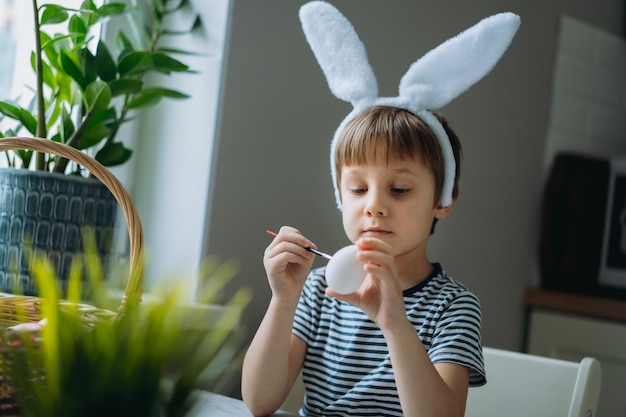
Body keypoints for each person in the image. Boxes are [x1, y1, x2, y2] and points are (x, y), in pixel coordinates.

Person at [242, 2, 520, 416]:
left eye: (400, 189)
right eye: (357, 189)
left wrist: (394, 323)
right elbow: (259, 401)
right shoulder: (318, 292)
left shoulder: (452, 307)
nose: (374, 206)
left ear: (442, 200)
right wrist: (283, 300)